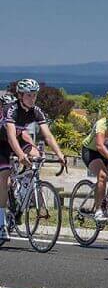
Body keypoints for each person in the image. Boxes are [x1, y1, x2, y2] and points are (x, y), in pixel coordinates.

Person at [0, 79, 67, 242]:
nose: (32, 98)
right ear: (20, 95)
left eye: (34, 95)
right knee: (5, 178)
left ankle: (25, 190)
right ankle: (1, 222)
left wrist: (59, 154)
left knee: (37, 154)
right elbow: (10, 136)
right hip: (2, 142)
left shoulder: (36, 111)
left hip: (18, 139)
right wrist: (21, 156)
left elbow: (48, 135)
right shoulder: (11, 109)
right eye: (29, 95)